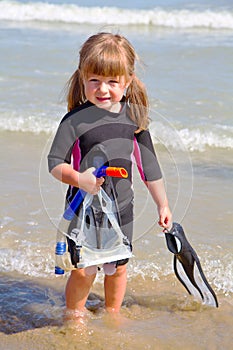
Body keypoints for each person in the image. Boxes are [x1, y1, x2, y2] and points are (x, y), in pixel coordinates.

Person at [48, 32, 172, 321]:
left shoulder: (134, 119)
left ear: (127, 81)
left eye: (112, 82)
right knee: (84, 269)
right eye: (94, 80)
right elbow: (55, 164)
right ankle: (74, 314)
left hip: (122, 210)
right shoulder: (75, 120)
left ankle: (112, 313)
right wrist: (80, 179)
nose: (103, 89)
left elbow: (149, 169)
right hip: (83, 210)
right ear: (82, 78)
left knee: (117, 267)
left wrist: (162, 205)